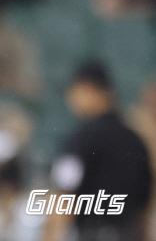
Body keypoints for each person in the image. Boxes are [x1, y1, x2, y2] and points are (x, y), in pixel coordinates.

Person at [42, 61, 151, 241]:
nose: (71, 99)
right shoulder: (135, 140)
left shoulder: (82, 138)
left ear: (90, 90)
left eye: (75, 91)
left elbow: (64, 196)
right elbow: (144, 210)